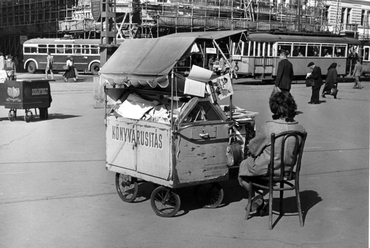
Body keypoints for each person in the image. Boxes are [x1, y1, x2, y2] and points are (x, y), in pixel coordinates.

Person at [238, 91, 306, 214]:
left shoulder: (268, 128)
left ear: (273, 107)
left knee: (243, 167)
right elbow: (295, 153)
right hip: (287, 170)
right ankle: (260, 196)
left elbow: (253, 150)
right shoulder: (300, 129)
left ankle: (257, 195)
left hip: (269, 170)